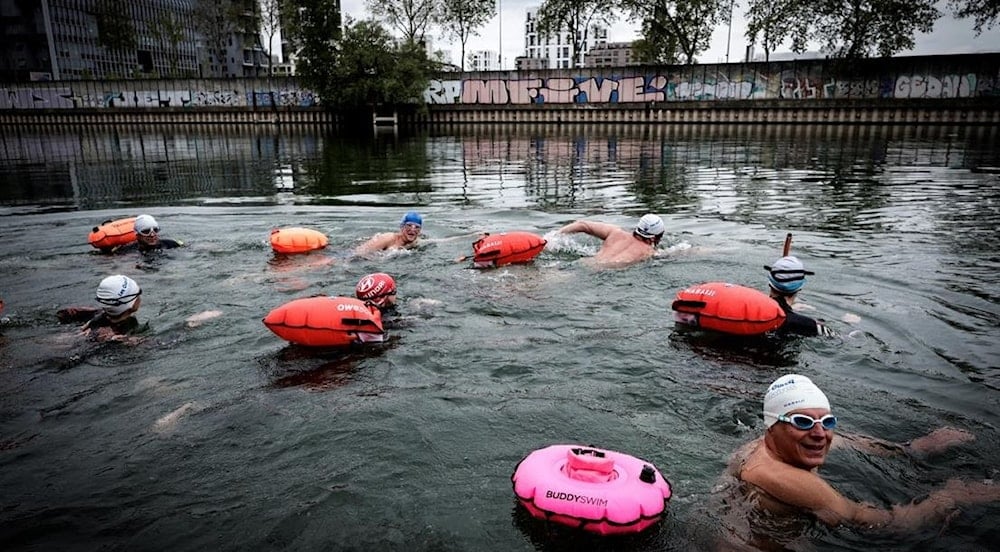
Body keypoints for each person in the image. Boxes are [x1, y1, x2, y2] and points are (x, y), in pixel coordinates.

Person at [726, 374, 1000, 533]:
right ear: (772, 426)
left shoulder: (759, 446)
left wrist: (911, 448)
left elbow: (848, 441)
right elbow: (885, 524)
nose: (821, 434)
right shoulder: (791, 481)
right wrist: (953, 496)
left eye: (828, 421)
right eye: (803, 422)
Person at [56, 274, 145, 342]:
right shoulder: (116, 337)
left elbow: (62, 313)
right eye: (139, 292)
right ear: (131, 304)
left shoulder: (94, 314)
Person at [557, 213, 664, 267]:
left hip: (583, 264)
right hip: (603, 272)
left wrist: (553, 237)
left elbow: (582, 225)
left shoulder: (615, 232)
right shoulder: (649, 252)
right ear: (654, 237)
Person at [765, 255, 834, 336]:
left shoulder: (752, 311)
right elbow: (842, 339)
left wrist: (790, 309)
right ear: (799, 288)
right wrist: (849, 322)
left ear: (770, 284)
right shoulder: (810, 326)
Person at [354, 211, 424, 255]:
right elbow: (358, 253)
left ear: (420, 230)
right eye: (409, 225)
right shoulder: (388, 238)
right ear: (402, 227)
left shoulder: (416, 241)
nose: (412, 229)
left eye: (417, 227)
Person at [112, 214, 183, 254]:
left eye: (155, 230)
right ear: (137, 234)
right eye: (146, 231)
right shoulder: (126, 250)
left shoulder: (171, 244)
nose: (152, 235)